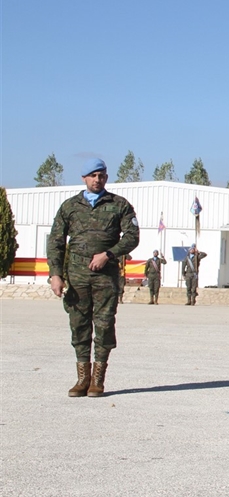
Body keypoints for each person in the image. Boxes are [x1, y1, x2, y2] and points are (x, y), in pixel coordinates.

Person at [47, 158, 140, 397]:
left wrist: (108, 254)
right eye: (92, 176)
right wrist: (55, 275)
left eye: (101, 175)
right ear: (84, 178)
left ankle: (98, 380)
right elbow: (56, 242)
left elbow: (132, 237)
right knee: (79, 326)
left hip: (106, 278)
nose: (97, 180)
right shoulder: (70, 206)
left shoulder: (119, 205)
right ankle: (82, 379)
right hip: (77, 277)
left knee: (104, 325)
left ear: (106, 178)